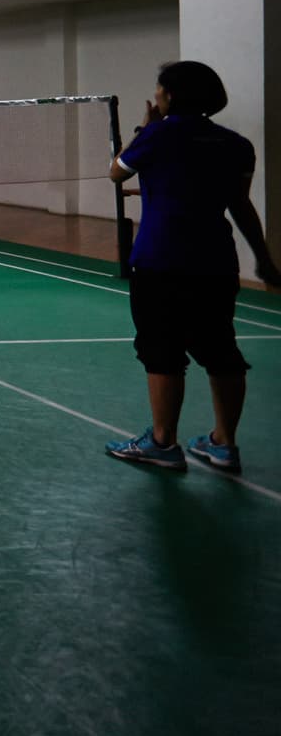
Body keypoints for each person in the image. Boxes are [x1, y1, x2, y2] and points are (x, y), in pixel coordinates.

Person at [105, 60, 280, 472]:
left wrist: (143, 128)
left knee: (162, 350)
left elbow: (115, 171)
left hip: (159, 262)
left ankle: (163, 443)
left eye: (160, 89)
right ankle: (223, 443)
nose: (157, 95)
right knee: (221, 350)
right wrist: (264, 257)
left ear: (170, 96)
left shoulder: (157, 136)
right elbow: (241, 205)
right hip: (216, 262)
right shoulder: (236, 145)